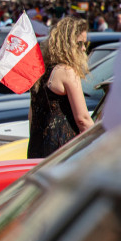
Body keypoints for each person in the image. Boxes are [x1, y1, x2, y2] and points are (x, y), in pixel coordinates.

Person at [28, 17, 93, 159]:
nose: (83, 49)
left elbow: (31, 116)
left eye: (85, 43)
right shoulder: (67, 72)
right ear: (66, 44)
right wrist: (101, 142)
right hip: (62, 150)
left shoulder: (40, 72)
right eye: (79, 44)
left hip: (37, 148)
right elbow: (82, 119)